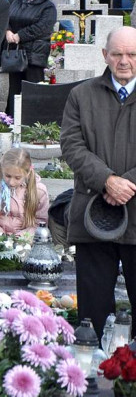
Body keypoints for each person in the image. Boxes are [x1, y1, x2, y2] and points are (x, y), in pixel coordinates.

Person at [61, 26, 136, 338]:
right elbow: (72, 145)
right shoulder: (82, 94)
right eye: (117, 54)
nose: (124, 61)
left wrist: (128, 183)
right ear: (105, 55)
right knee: (91, 320)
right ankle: (90, 380)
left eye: (132, 54)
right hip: (93, 217)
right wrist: (107, 181)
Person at [4, 0, 57, 116]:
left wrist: (19, 35)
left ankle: (34, 119)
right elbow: (6, 18)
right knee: (14, 88)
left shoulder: (48, 7)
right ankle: (11, 118)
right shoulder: (17, 1)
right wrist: (7, 31)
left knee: (33, 88)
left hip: (35, 53)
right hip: (16, 52)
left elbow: (42, 27)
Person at [0, 148, 49, 235]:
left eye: (17, 178)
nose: (11, 182)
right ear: (2, 170)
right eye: (8, 176)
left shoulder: (39, 191)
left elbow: (41, 222)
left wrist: (23, 237)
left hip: (25, 240)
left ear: (28, 173)